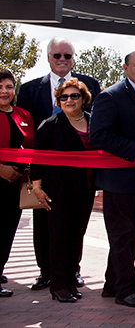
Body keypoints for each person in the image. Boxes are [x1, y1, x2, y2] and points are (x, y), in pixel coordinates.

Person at [17, 37, 100, 292]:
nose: (62, 60)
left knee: (75, 229)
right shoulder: (31, 89)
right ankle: (47, 273)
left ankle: (71, 272)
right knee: (45, 228)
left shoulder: (92, 85)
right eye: (57, 56)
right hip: (49, 177)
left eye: (67, 56)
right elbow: (25, 130)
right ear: (48, 58)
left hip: (82, 181)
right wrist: (34, 180)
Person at [90, 50, 135, 308]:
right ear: (125, 67)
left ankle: (113, 284)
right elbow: (98, 135)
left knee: (130, 235)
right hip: (118, 180)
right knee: (122, 236)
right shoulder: (111, 95)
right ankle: (125, 290)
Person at [31, 78, 96, 303]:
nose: (69, 100)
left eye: (74, 96)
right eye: (64, 97)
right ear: (58, 101)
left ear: (83, 99)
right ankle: (57, 285)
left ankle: (70, 280)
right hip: (58, 191)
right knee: (59, 238)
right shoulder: (49, 125)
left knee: (77, 236)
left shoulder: (93, 121)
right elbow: (36, 160)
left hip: (85, 190)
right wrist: (37, 188)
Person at [0, 69, 35, 298]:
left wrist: (22, 170)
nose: (5, 91)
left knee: (6, 232)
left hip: (14, 184)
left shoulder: (23, 114)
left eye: (9, 87)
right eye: (0, 87)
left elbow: (30, 146)